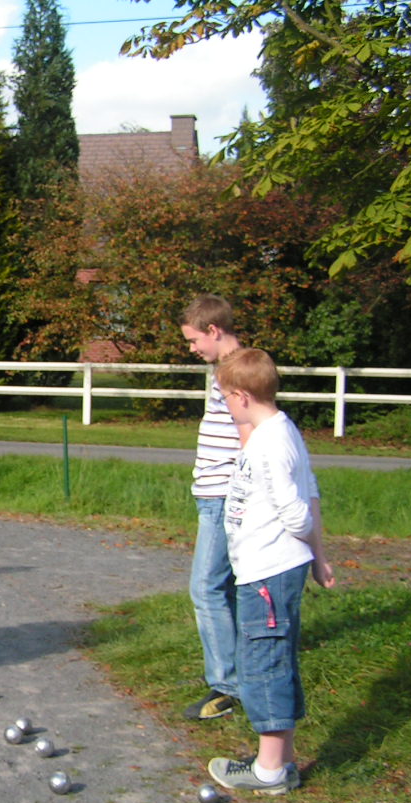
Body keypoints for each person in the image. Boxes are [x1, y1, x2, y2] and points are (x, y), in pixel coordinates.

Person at [207, 348, 334, 795]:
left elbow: (297, 510)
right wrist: (318, 556)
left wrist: (311, 543)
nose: (225, 405)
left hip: (268, 570)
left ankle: (268, 772)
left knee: (262, 663)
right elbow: (310, 486)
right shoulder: (280, 430)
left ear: (241, 396)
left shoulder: (269, 442)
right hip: (267, 569)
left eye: (225, 398)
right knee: (275, 658)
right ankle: (283, 760)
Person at [179, 294, 248, 721]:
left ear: (213, 330)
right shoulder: (221, 372)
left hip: (224, 495)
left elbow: (250, 431)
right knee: (223, 589)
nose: (191, 349)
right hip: (212, 494)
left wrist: (241, 492)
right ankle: (241, 674)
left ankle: (227, 686)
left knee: (206, 589)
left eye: (192, 340)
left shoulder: (235, 372)